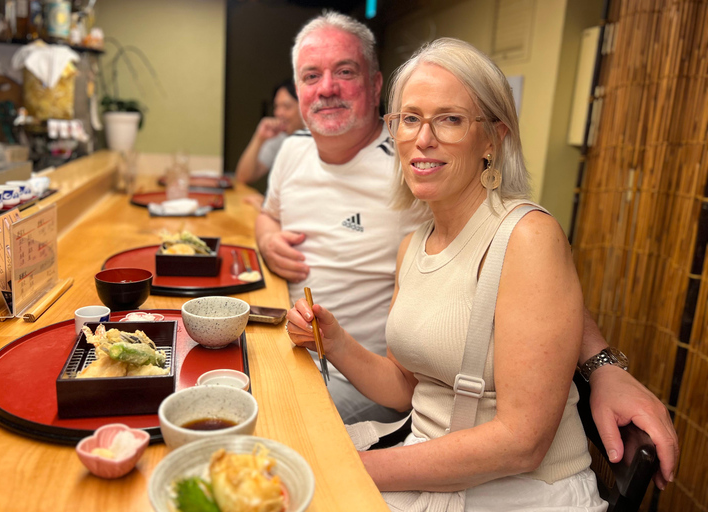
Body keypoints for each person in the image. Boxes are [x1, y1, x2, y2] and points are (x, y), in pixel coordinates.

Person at [257, 12, 678, 490]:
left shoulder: (528, 234)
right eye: (411, 119)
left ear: (492, 140)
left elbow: (522, 437)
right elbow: (408, 387)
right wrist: (335, 342)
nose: (423, 138)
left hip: (509, 492)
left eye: (451, 120)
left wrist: (602, 364)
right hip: (425, 451)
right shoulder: (416, 240)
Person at [235, 80, 305, 197]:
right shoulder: (280, 138)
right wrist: (259, 138)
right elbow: (243, 177)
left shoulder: (319, 142)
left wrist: (264, 206)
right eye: (277, 106)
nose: (279, 113)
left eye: (286, 107)